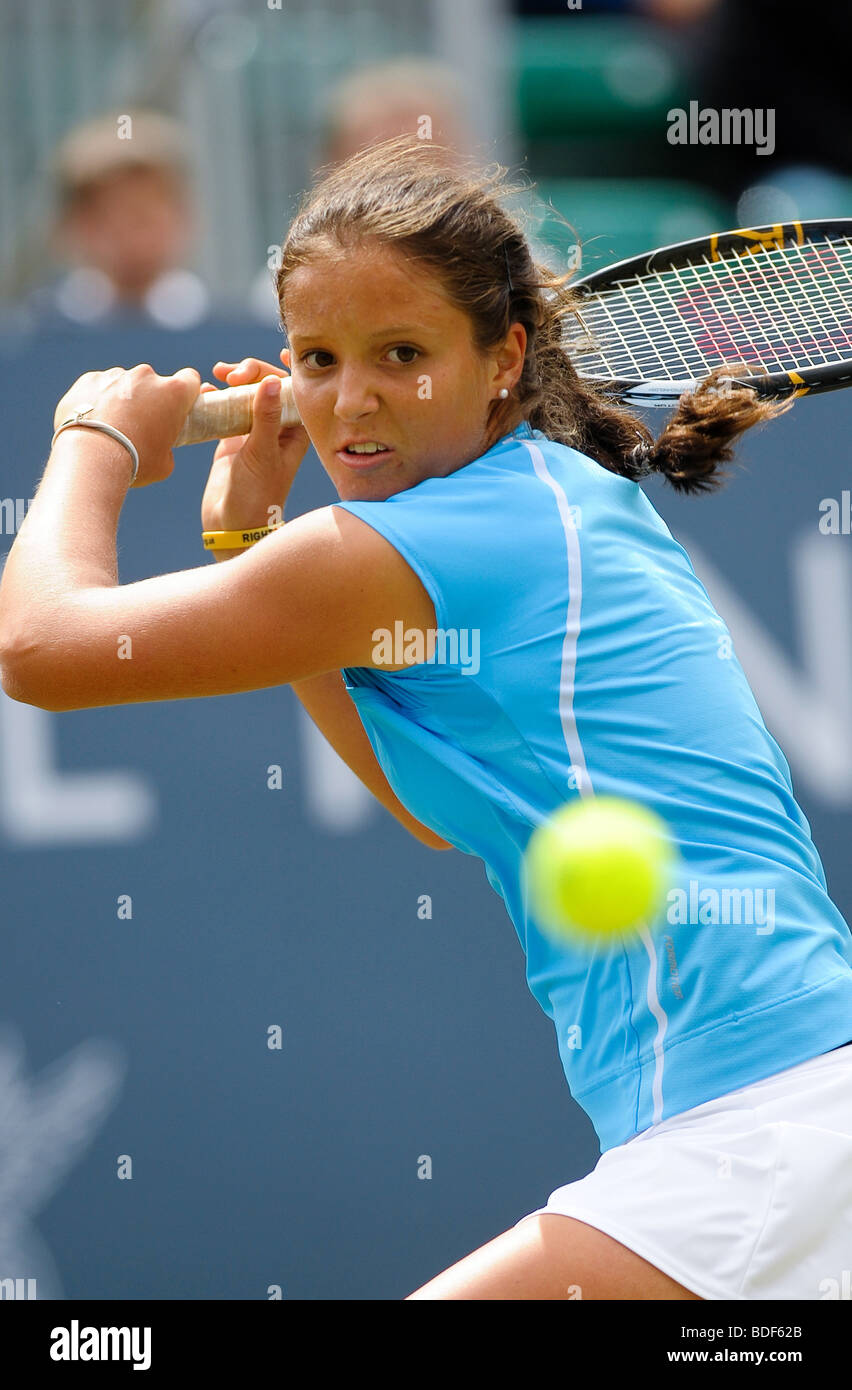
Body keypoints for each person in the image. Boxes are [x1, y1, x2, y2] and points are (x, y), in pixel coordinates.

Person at [1, 134, 851, 1301]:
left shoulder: (422, 542)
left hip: (753, 1132)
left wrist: (91, 443)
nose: (350, 401)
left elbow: (42, 651)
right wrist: (251, 545)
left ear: (503, 358)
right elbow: (431, 812)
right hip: (787, 1116)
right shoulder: (549, 494)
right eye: (318, 356)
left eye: (402, 354)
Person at [32, 108, 209, 329]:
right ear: (76, 225)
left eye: (143, 219)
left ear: (183, 216)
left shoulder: (233, 331)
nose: (133, 239)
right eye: (109, 222)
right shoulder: (36, 336)